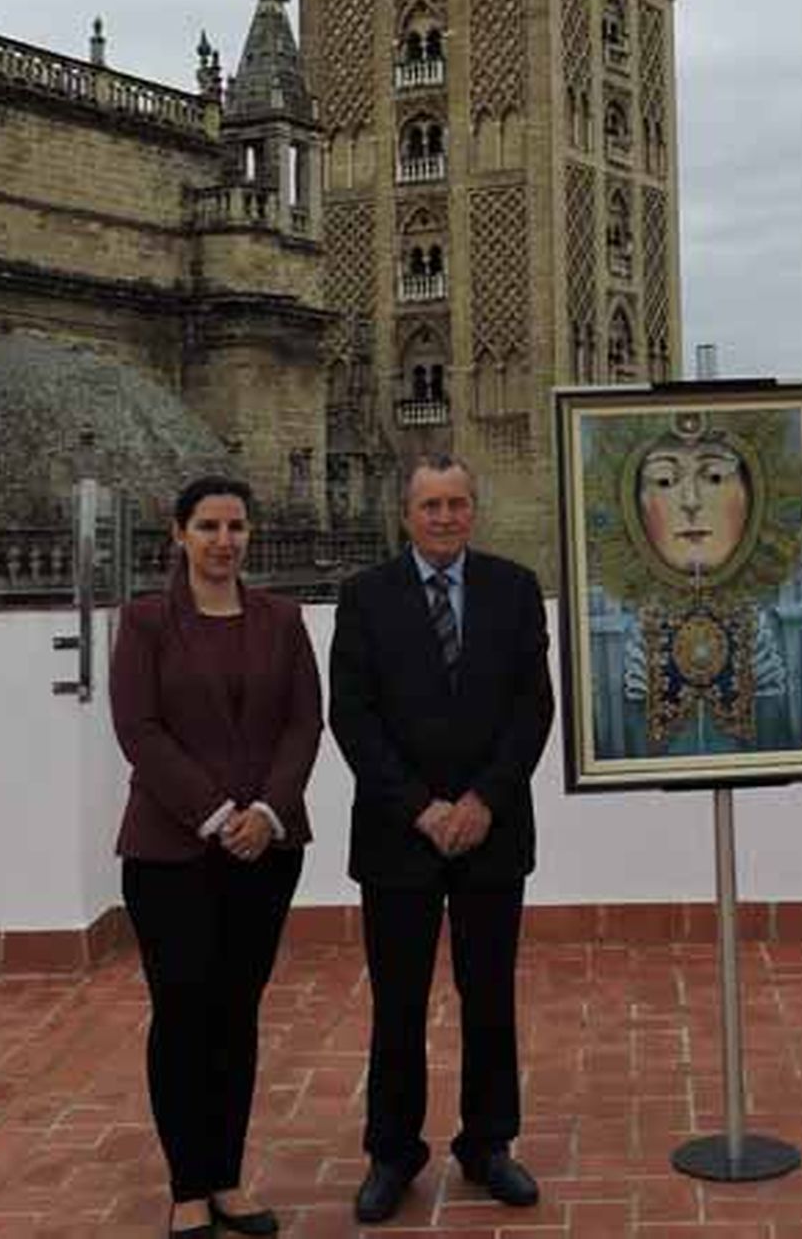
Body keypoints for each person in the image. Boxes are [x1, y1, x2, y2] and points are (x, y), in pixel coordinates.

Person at [329, 455, 554, 1225]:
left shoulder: (514, 589)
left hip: (492, 831)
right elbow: (352, 717)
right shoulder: (364, 597)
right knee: (398, 1001)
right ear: (406, 515)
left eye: (458, 503)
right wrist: (423, 808)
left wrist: (485, 799)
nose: (447, 517)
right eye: (431, 506)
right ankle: (392, 1152)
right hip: (400, 835)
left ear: (474, 510)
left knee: (489, 995)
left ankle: (489, 1144)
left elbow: (533, 708)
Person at [110, 475, 323, 1239]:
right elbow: (140, 730)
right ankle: (188, 1188)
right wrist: (214, 813)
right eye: (208, 526)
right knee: (183, 1014)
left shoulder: (282, 619)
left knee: (237, 1014)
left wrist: (267, 813)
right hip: (170, 853)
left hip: (266, 851)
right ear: (179, 534)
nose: (224, 541)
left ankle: (229, 1179)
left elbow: (306, 723)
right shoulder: (144, 624)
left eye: (236, 527)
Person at [585, 408, 802, 763]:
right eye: (663, 480)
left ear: (753, 494)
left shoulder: (766, 637)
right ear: (633, 505)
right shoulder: (627, 642)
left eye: (716, 477)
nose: (691, 502)